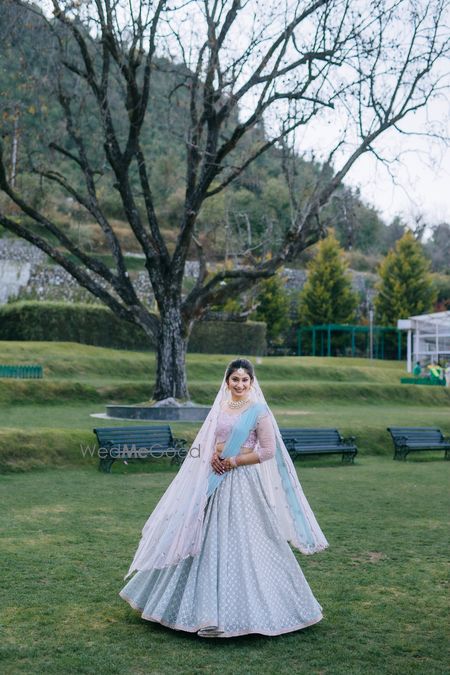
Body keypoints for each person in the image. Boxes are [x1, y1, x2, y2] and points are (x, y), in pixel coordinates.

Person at [119, 358, 328, 638]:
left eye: (245, 380)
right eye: (235, 380)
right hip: (214, 479)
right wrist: (214, 456)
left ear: (252, 383)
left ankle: (255, 611)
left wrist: (232, 461)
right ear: (227, 381)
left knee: (246, 541)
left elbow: (266, 451)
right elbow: (206, 442)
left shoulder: (259, 411)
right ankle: (189, 607)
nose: (240, 385)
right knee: (203, 536)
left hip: (242, 483)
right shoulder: (220, 407)